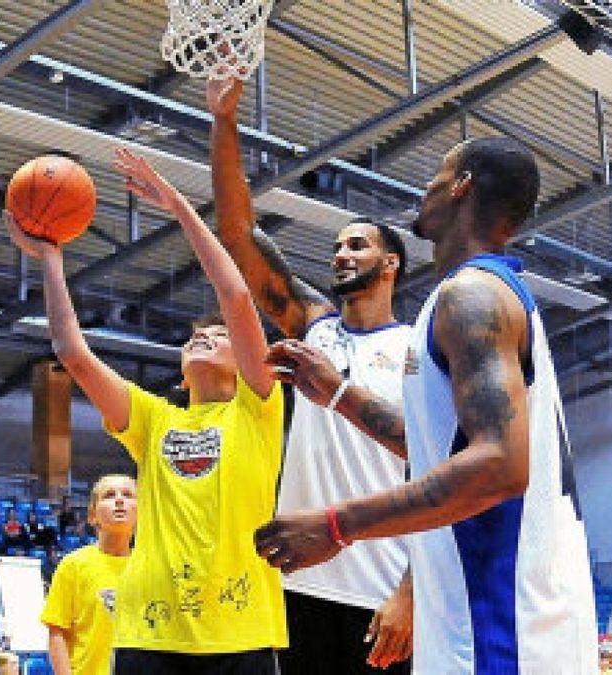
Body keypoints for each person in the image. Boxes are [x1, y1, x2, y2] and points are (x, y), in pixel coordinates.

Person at [254, 137, 599, 673]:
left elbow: (499, 466)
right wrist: (340, 394)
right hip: (490, 617)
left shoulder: (473, 297)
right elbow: (437, 447)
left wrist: (338, 524)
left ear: (461, 186)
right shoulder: (472, 297)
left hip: (501, 626)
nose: (427, 187)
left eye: (439, 172)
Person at [6, 147, 286, 674]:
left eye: (218, 336)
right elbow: (71, 353)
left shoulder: (258, 409)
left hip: (241, 629)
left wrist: (178, 206)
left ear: (247, 359)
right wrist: (51, 261)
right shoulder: (155, 419)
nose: (204, 336)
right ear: (181, 372)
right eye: (194, 338)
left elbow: (236, 296)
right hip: (149, 630)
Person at [207, 77, 414, 674]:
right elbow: (239, 239)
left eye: (358, 245)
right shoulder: (314, 323)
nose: (341, 254)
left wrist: (410, 591)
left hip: (380, 594)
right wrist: (224, 121)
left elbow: (438, 466)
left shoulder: (417, 346)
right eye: (337, 246)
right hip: (298, 586)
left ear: (390, 263)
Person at [40, 474, 138, 675]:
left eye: (128, 495)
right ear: (92, 515)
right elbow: (57, 632)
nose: (119, 500)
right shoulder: (73, 565)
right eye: (109, 495)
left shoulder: (150, 566)